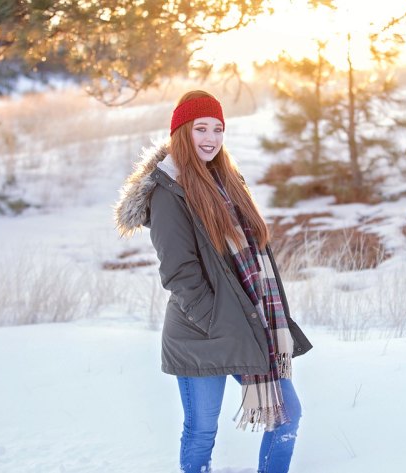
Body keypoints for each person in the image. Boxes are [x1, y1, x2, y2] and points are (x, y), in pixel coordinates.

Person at [114, 90, 313, 473]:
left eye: (218, 129)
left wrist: (243, 323)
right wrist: (216, 322)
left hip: (248, 325)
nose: (210, 138)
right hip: (199, 333)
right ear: (180, 132)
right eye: (200, 128)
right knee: (201, 432)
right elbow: (179, 272)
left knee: (286, 415)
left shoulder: (228, 180)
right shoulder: (168, 192)